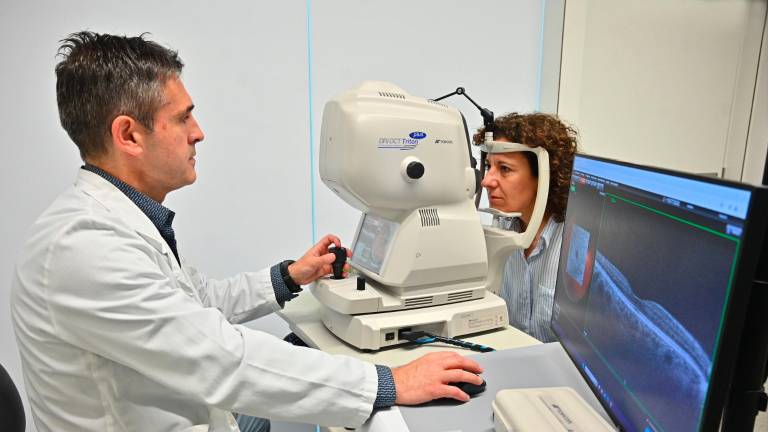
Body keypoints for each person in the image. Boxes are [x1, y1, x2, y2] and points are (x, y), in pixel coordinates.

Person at [10, 31, 484, 432]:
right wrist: (388, 382)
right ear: (129, 135)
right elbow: (218, 359)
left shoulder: (117, 223)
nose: (199, 132)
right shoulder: (86, 246)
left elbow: (192, 308)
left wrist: (289, 276)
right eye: (182, 117)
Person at [474, 113, 578, 343]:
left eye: (505, 169)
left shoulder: (573, 244)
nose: (487, 181)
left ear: (545, 176)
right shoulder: (502, 226)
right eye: (489, 166)